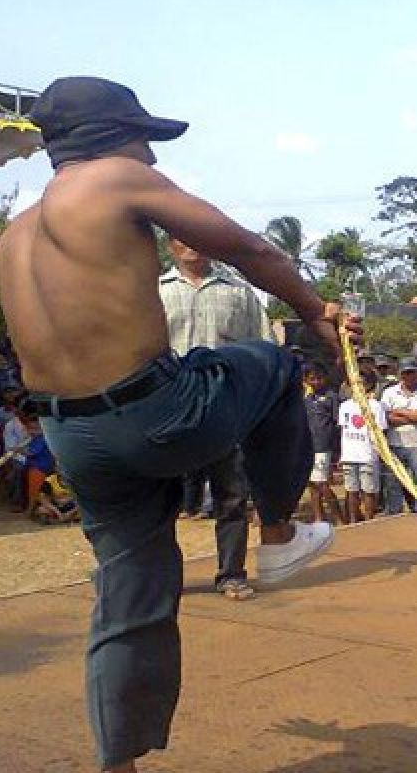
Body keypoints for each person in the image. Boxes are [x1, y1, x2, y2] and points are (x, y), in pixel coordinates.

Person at [1, 76, 359, 772]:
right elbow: (252, 250)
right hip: (156, 411)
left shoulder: (13, 237)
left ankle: (118, 763)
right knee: (272, 363)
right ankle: (280, 532)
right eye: (145, 141)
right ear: (110, 138)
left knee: (128, 600)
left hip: (72, 435)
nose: (153, 160)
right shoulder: (115, 180)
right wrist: (316, 310)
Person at [159, 236, 275, 601]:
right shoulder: (153, 291)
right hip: (168, 406)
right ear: (170, 247)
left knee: (231, 495)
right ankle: (162, 579)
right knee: (161, 497)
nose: (192, 246)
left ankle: (232, 574)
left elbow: (264, 346)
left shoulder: (239, 293)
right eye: (182, 240)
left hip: (225, 406)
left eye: (198, 238)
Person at [381, 357, 417, 515]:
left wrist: (399, 411)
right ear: (401, 374)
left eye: (412, 372)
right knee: (393, 483)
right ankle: (395, 514)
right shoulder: (389, 392)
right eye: (405, 373)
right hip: (395, 444)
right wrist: (414, 415)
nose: (409, 376)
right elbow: (386, 418)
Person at [338, 390, 386, 522]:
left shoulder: (375, 405)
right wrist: (341, 454)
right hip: (349, 454)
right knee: (351, 490)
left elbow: (380, 431)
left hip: (368, 454)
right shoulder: (344, 406)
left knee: (368, 491)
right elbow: (343, 429)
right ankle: (353, 521)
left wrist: (380, 452)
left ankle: (369, 521)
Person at [303, 364, 341, 523]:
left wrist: (337, 449)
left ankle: (339, 517)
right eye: (312, 379)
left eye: (319, 378)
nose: (317, 382)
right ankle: (319, 517)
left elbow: (337, 422)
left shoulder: (331, 397)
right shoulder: (307, 400)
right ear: (306, 380)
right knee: (312, 485)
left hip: (324, 447)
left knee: (322, 483)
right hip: (308, 447)